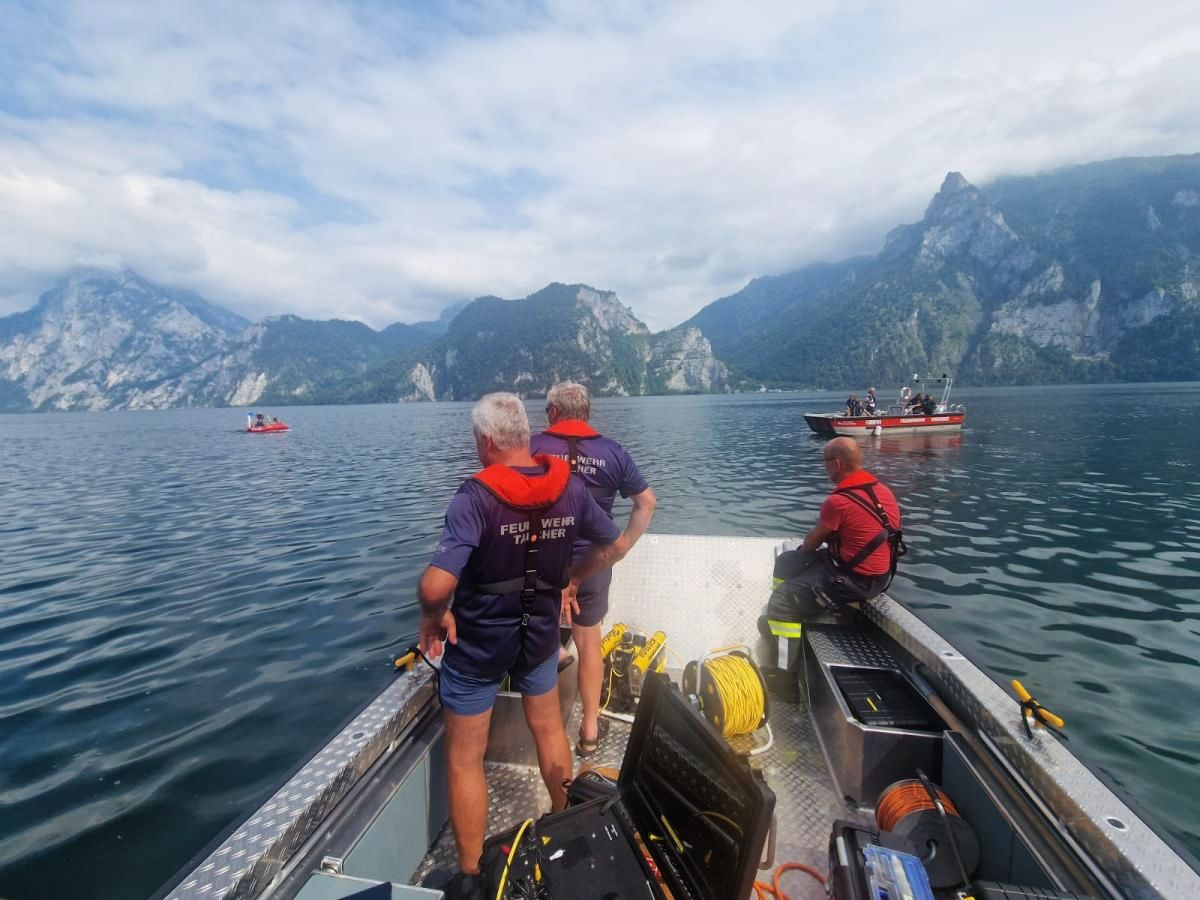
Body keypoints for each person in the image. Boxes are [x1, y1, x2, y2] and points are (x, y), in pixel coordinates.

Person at [418, 393, 630, 900]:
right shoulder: (571, 488)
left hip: (479, 646)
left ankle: (470, 876)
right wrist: (570, 581)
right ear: (523, 437)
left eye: (475, 440)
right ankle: (564, 829)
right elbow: (612, 545)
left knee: (466, 758)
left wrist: (434, 615)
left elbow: (433, 586)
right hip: (538, 637)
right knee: (549, 729)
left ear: (488, 442)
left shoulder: (475, 497)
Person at [530, 381, 657, 758]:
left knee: (536, 629)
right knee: (589, 644)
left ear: (553, 412)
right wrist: (619, 549)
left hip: (542, 561)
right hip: (593, 563)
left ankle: (553, 665)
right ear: (587, 413)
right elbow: (646, 503)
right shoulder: (612, 452)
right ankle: (588, 732)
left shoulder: (533, 447)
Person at [763, 437, 905, 662]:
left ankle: (784, 679)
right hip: (877, 575)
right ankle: (801, 607)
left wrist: (803, 560)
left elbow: (812, 542)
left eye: (825, 462)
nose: (824, 467)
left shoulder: (839, 502)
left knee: (783, 601)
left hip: (854, 580)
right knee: (787, 561)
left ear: (836, 464)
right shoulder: (881, 490)